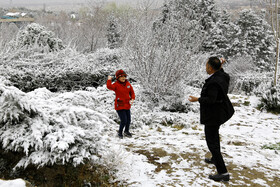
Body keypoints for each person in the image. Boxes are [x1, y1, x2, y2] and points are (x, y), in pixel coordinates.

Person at [188, 57, 234, 182]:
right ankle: (215, 158)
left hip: (213, 116)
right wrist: (220, 66)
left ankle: (223, 172)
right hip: (219, 113)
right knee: (214, 138)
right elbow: (223, 73)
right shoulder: (222, 76)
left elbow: (211, 100)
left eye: (207, 65)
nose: (205, 67)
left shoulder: (214, 82)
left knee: (212, 142)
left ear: (211, 68)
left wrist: (197, 99)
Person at [107, 69, 135, 139]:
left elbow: (132, 92)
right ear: (118, 78)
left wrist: (132, 99)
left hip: (127, 105)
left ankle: (126, 131)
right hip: (119, 106)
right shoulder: (116, 85)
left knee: (128, 120)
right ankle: (120, 132)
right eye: (121, 76)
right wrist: (109, 80)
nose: (123, 78)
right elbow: (109, 86)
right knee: (124, 120)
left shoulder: (128, 84)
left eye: (124, 76)